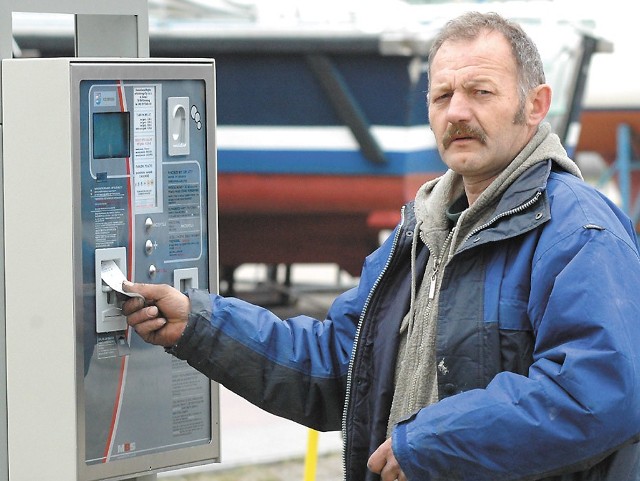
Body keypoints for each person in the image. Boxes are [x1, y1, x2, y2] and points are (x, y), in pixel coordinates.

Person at [122, 11, 640, 481]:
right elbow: (341, 367)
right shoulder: (421, 232)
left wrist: (433, 443)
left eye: (480, 92)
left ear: (535, 106)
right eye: (442, 96)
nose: (457, 111)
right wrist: (198, 324)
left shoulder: (578, 232)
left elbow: (594, 397)